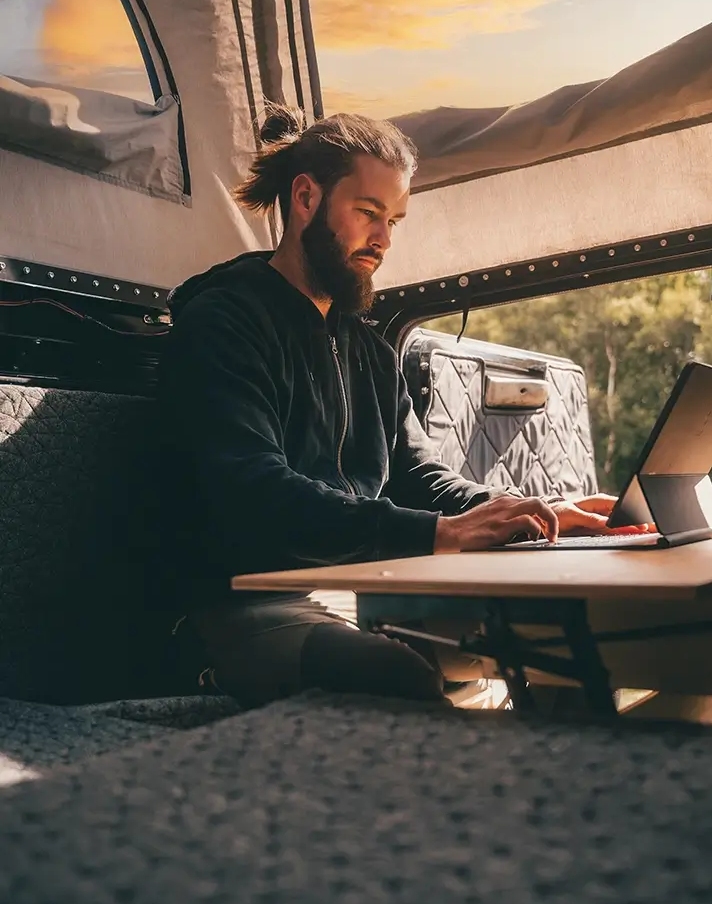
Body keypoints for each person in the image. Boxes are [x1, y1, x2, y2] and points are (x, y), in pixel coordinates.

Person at [158, 103, 646, 707]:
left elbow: (418, 477)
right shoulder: (224, 324)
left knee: (573, 638)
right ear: (306, 198)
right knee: (399, 676)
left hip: (364, 588)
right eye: (368, 213)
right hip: (241, 603)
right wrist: (440, 534)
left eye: (394, 220)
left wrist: (523, 512)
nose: (384, 239)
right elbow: (253, 492)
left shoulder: (369, 349)